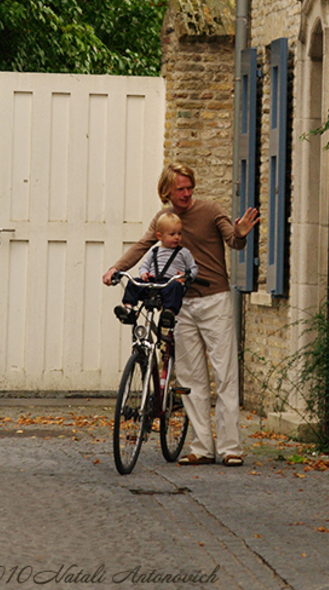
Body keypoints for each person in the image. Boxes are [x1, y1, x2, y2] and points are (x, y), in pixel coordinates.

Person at [102, 162, 259, 467]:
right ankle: (202, 447)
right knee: (190, 378)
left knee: (225, 375)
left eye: (190, 187)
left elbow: (233, 239)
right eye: (180, 189)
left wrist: (241, 234)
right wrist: (116, 268)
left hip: (214, 300)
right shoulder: (163, 219)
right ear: (167, 191)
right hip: (180, 305)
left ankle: (231, 448)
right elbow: (143, 246)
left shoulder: (211, 210)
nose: (187, 193)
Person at [114, 213, 197, 333]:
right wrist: (144, 274)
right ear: (159, 236)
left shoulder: (183, 252)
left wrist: (185, 276)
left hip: (169, 283)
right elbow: (144, 267)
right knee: (134, 282)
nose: (177, 237)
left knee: (176, 287)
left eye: (179, 234)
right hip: (152, 283)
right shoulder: (154, 251)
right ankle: (129, 309)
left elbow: (193, 268)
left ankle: (168, 314)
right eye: (172, 234)